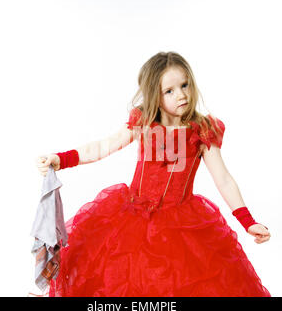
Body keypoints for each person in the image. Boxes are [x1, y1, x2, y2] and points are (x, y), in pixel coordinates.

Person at [35, 51, 271, 297]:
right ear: (154, 96)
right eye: (169, 90)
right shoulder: (144, 123)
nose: (180, 94)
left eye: (184, 85)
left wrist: (248, 221)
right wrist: (61, 159)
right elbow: (102, 147)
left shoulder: (202, 131)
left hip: (182, 228)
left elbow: (223, 179)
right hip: (131, 219)